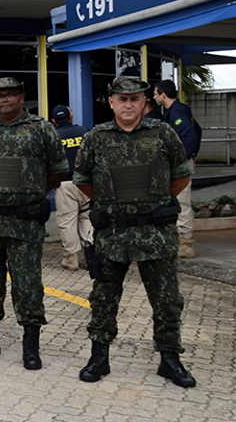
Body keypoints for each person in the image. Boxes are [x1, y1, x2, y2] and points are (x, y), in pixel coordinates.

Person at [74, 76, 196, 388]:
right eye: (122, 99)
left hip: (155, 234)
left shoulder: (163, 132)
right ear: (112, 102)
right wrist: (112, 204)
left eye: (135, 99)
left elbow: (181, 175)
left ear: (145, 102)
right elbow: (83, 180)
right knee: (103, 299)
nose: (128, 104)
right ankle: (99, 356)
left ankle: (170, 358)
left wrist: (154, 203)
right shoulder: (96, 137)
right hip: (112, 235)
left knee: (167, 299)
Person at [0, 78, 67, 370]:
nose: (5, 100)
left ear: (22, 97)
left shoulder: (41, 129)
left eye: (11, 94)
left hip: (25, 222)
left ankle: (30, 347)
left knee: (28, 285)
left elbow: (58, 170)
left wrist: (31, 194)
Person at [154, 79, 200, 258]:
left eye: (156, 93)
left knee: (182, 201)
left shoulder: (177, 112)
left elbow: (190, 135)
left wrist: (185, 158)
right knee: (175, 201)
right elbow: (199, 130)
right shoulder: (178, 110)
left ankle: (186, 244)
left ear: (163, 94)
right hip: (178, 164)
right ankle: (176, 240)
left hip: (180, 165)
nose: (154, 97)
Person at [51, 105, 93, 271]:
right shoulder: (85, 131)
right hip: (86, 183)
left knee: (67, 221)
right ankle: (91, 254)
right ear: (71, 116)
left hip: (65, 184)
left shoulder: (54, 137)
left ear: (54, 121)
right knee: (88, 218)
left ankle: (71, 258)